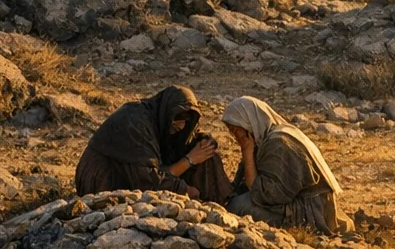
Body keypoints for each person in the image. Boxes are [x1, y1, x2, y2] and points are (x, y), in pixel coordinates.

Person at [75, 85, 231, 201]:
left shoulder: (161, 119)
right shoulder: (136, 123)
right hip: (105, 180)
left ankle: (223, 203)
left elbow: (189, 140)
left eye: (186, 121)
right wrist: (187, 171)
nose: (181, 126)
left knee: (207, 156)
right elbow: (148, 181)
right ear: (166, 112)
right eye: (177, 119)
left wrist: (206, 143)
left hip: (141, 176)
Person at [221, 96, 350, 235]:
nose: (233, 135)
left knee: (237, 206)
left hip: (310, 209)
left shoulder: (278, 143)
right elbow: (243, 184)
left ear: (249, 122)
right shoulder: (263, 138)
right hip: (294, 200)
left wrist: (247, 151)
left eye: (235, 129)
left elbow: (267, 196)